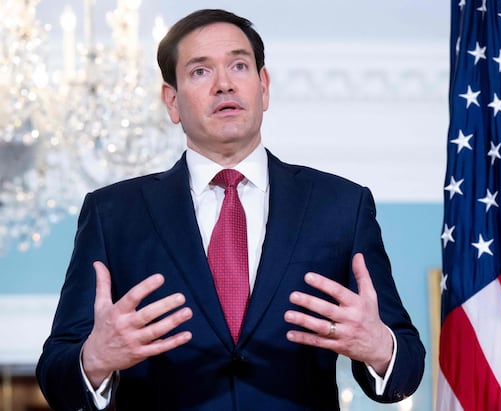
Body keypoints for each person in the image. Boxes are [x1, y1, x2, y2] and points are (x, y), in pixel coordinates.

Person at [36, 8, 425, 411]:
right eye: (200, 71)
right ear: (172, 101)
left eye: (239, 66)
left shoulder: (342, 205)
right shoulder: (112, 213)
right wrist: (94, 360)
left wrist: (379, 347)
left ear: (264, 86)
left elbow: (407, 366)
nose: (224, 84)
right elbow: (56, 374)